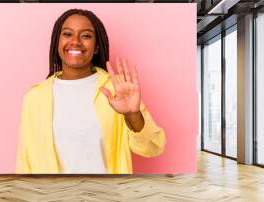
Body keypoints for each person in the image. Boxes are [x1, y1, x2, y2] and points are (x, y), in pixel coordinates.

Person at [16, 8, 166, 174]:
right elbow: (25, 160)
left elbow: (153, 148)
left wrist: (133, 115)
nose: (75, 41)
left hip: (106, 197)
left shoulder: (116, 90)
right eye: (67, 34)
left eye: (86, 35)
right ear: (57, 42)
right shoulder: (35, 97)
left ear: (96, 47)